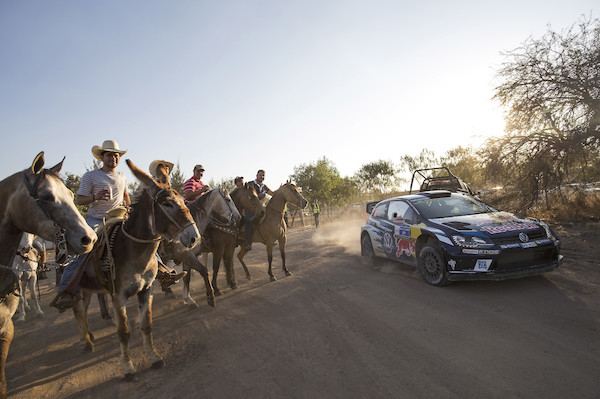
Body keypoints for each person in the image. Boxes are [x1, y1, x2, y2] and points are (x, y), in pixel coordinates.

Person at [51, 140, 131, 311]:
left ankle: (162, 272)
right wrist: (96, 197)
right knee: (84, 247)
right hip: (96, 219)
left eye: (116, 155)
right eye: (110, 155)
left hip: (119, 217)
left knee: (142, 235)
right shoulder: (90, 176)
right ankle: (66, 290)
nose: (114, 158)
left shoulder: (122, 176)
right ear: (102, 157)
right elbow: (79, 199)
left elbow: (125, 195)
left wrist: (128, 207)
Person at [143, 160, 186, 291]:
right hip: (149, 220)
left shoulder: (167, 186)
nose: (166, 170)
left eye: (167, 168)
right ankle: (164, 273)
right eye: (163, 168)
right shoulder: (151, 184)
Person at [244, 169, 275, 251]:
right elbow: (247, 196)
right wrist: (258, 196)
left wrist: (282, 189)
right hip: (251, 207)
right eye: (260, 175)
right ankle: (247, 242)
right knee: (249, 221)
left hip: (261, 207)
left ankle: (268, 239)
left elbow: (272, 193)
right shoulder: (250, 184)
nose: (262, 177)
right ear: (256, 175)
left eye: (263, 175)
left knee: (270, 218)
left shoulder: (264, 186)